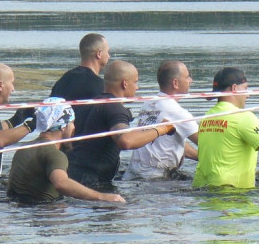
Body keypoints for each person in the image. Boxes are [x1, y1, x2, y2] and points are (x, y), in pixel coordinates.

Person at [66, 59, 176, 189]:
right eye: (135, 82)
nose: (137, 87)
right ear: (125, 83)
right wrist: (161, 129)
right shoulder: (115, 108)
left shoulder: (88, 104)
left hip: (71, 174)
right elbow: (125, 141)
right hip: (92, 181)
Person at [7, 98, 125, 204]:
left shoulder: (23, 148)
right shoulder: (55, 154)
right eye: (72, 123)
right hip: (44, 215)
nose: (74, 128)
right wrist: (102, 197)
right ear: (63, 126)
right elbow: (61, 183)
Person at [127, 60, 199, 177]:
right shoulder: (177, 112)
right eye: (187, 77)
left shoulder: (149, 103)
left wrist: (198, 156)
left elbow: (167, 142)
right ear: (175, 83)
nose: (191, 80)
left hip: (132, 173)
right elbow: (205, 143)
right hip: (156, 179)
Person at [50, 33, 110, 135]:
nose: (109, 56)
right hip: (82, 141)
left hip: (59, 138)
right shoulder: (99, 85)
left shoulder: (63, 80)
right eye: (108, 52)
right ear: (99, 54)